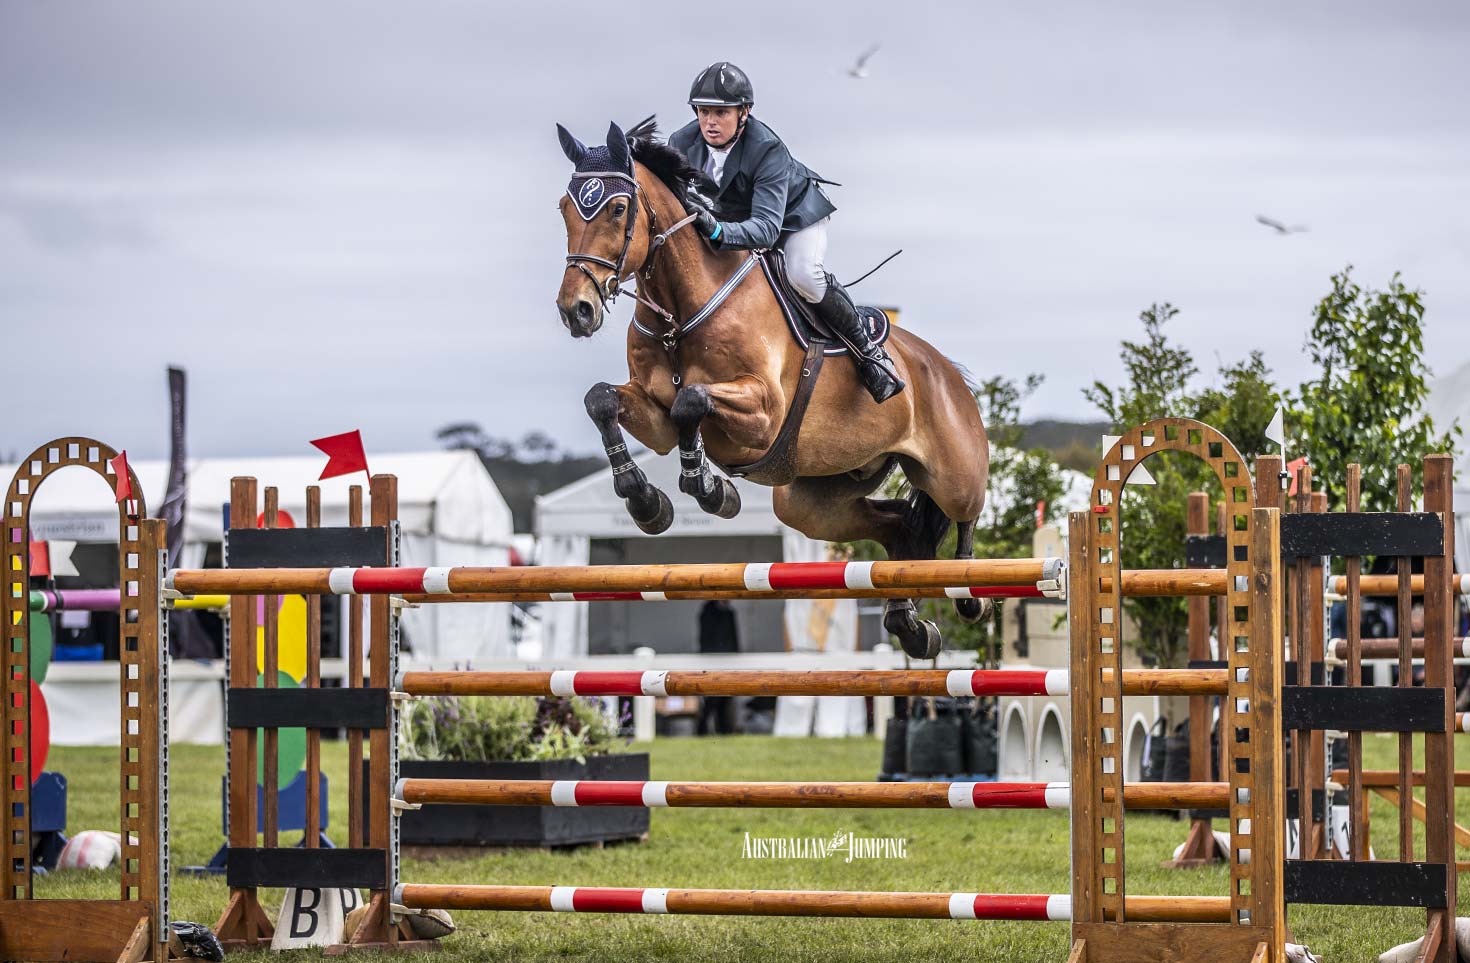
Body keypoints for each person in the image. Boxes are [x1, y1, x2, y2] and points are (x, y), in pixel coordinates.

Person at [669, 61, 904, 403]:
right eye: (703, 111)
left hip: (794, 219)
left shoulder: (767, 148)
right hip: (737, 219)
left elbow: (766, 229)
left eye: (720, 112)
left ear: (744, 112)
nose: (709, 122)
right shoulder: (682, 142)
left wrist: (718, 232)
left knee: (803, 275)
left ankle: (870, 354)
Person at [696, 599, 739, 734]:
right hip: (713, 660)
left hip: (728, 661)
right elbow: (707, 638)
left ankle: (722, 730)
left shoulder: (729, 612)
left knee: (724, 697)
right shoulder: (708, 612)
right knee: (713, 698)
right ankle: (703, 729)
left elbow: (733, 638)